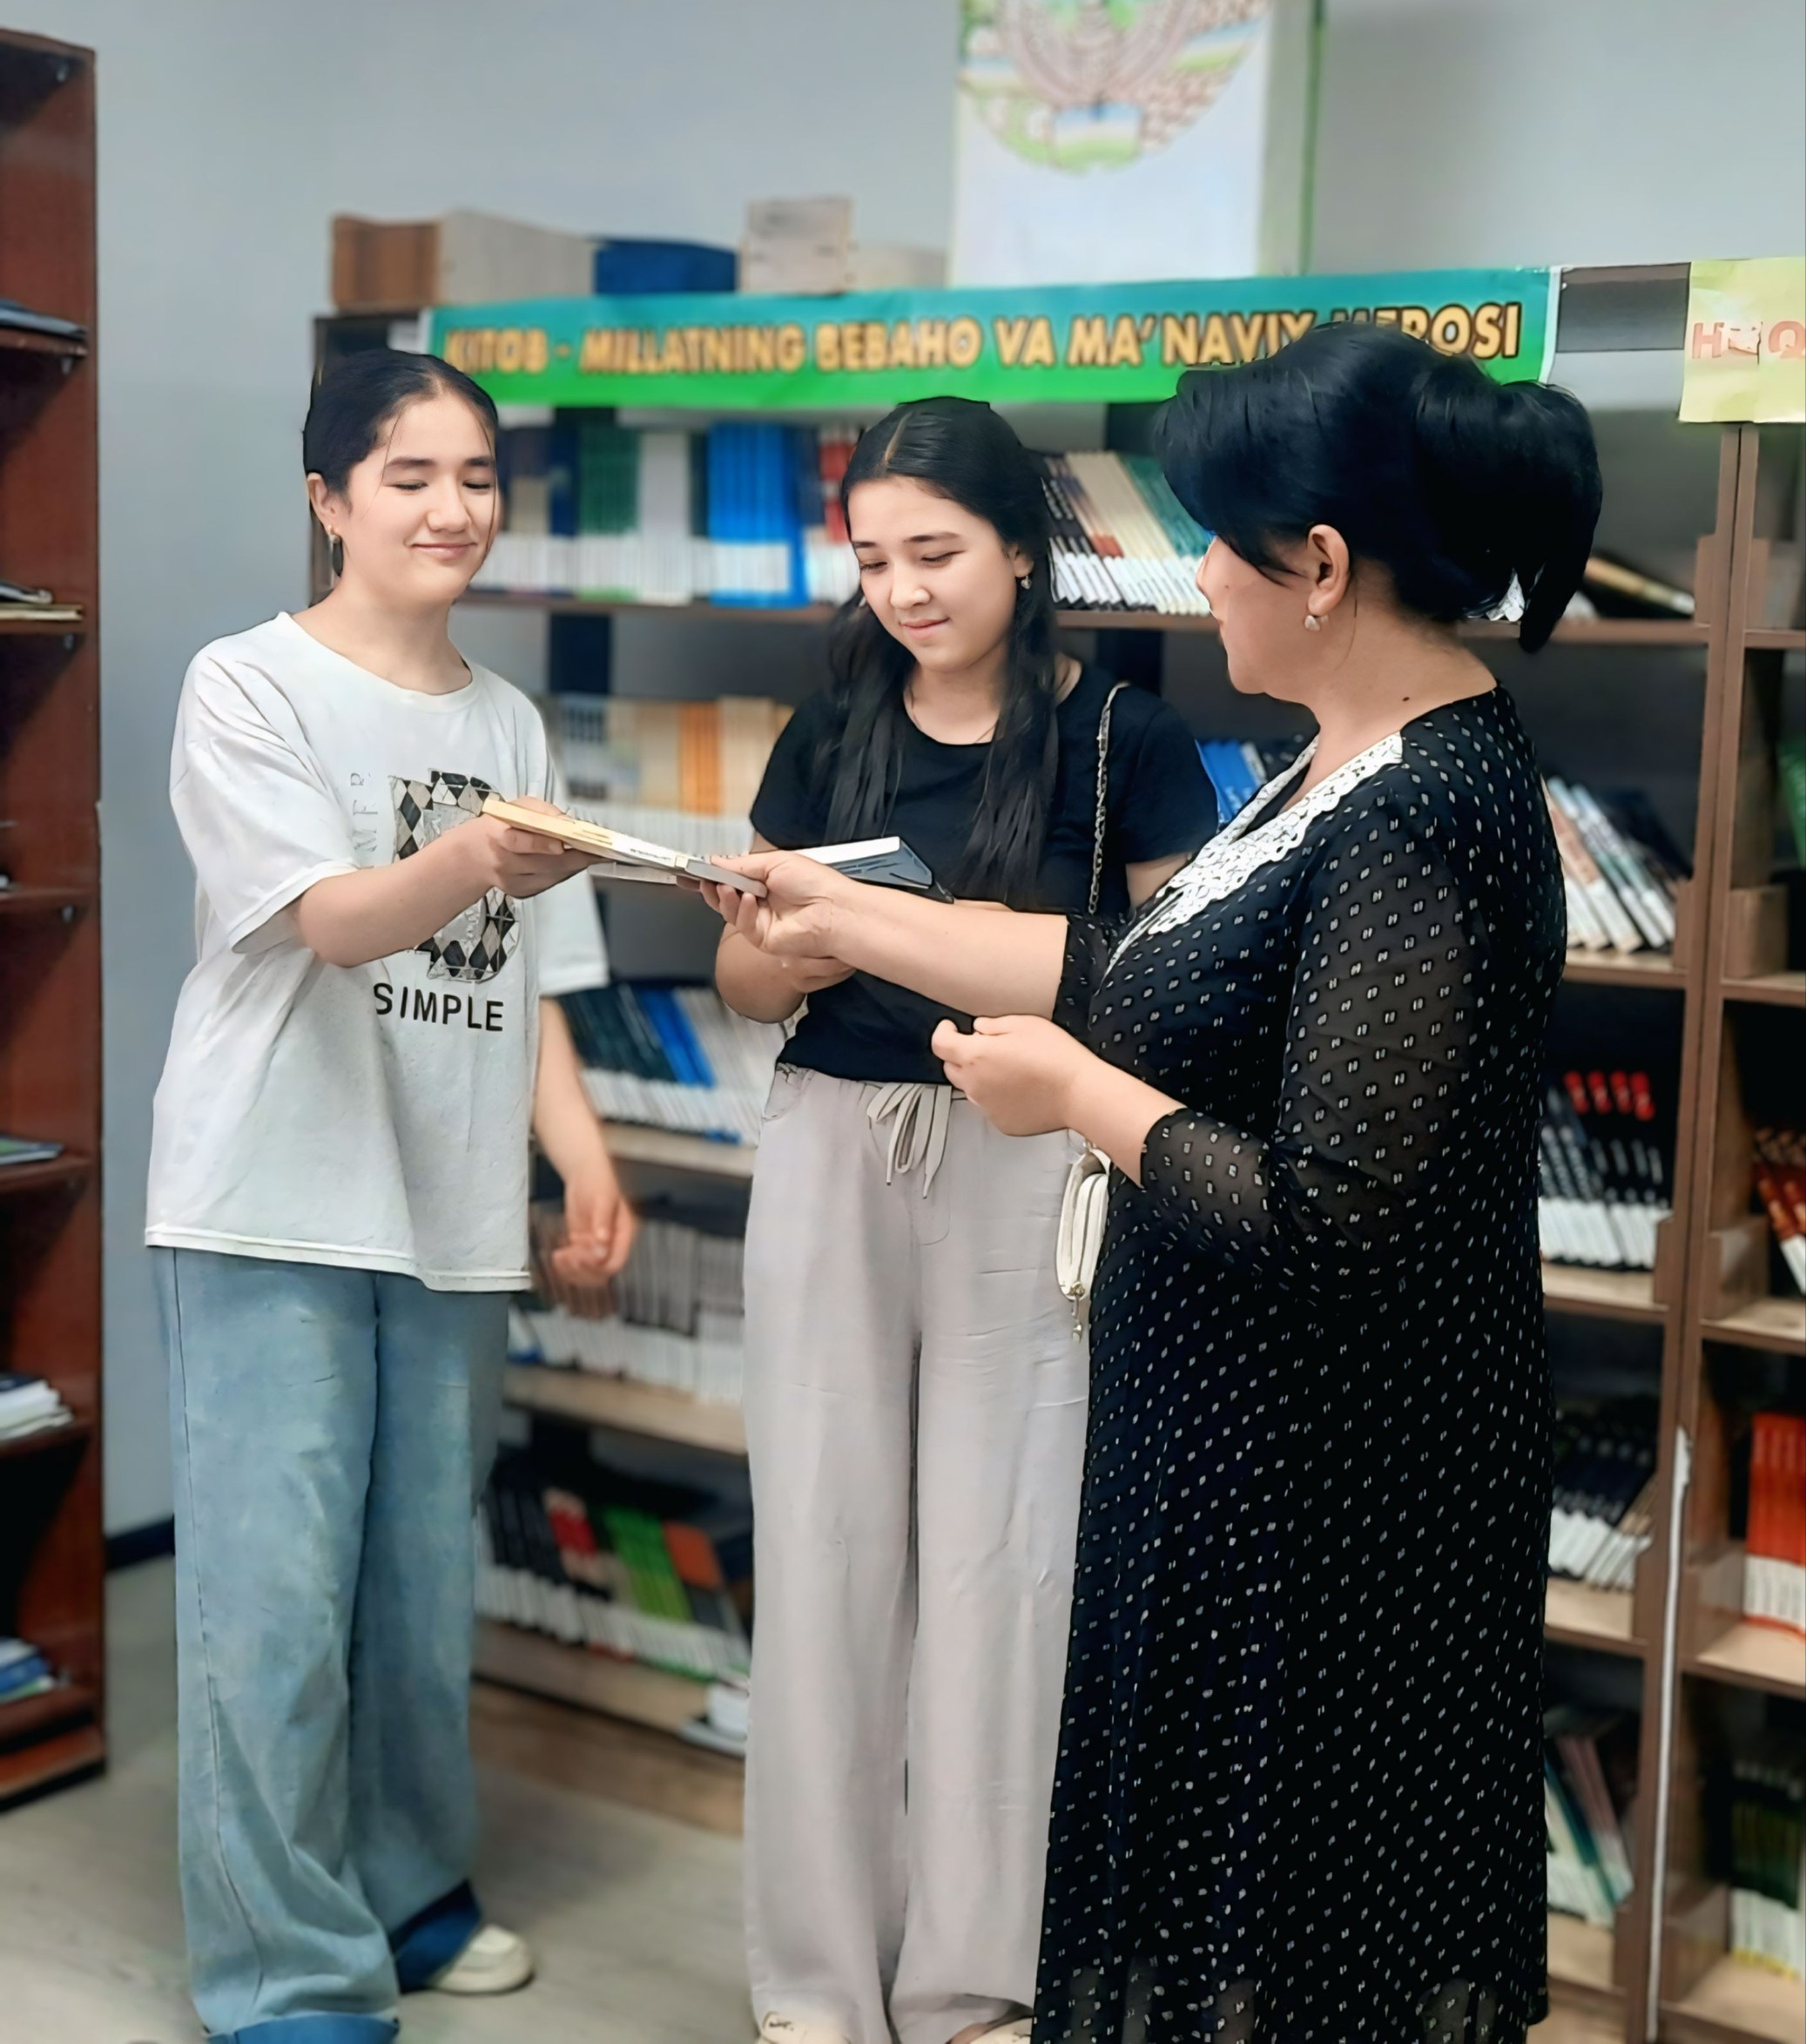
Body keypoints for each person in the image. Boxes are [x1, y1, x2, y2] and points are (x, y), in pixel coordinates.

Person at [704, 325, 1602, 2044]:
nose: (1193, 576)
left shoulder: (1416, 812)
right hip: (1228, 1470)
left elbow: (1329, 1215)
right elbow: (1123, 962)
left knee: (1292, 1935)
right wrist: (847, 915)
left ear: (1317, 564)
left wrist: (1080, 1100)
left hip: (1319, 1505)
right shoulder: (1332, 759)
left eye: (1212, 541)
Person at [145, 350, 636, 2044]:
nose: (450, 507)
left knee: (423, 1593)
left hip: (449, 1210)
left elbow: (531, 976)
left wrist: (582, 1155)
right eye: (409, 475)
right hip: (266, 1198)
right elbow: (337, 920)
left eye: (476, 476)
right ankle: (284, 1969)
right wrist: (470, 853)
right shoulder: (247, 683)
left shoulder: (509, 721)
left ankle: (412, 1889)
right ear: (328, 498)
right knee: (273, 1611)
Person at [716, 397, 1215, 2044]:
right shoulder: (826, 729)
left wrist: (921, 936)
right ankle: (815, 1987)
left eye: (935, 552)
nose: (904, 591)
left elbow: (1171, 995)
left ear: (1020, 545)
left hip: (1028, 1158)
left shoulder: (1126, 738)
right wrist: (773, 938)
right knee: (822, 1556)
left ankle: (975, 1987)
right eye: (873, 561)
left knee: (1009, 1568)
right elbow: (742, 987)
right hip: (830, 1146)